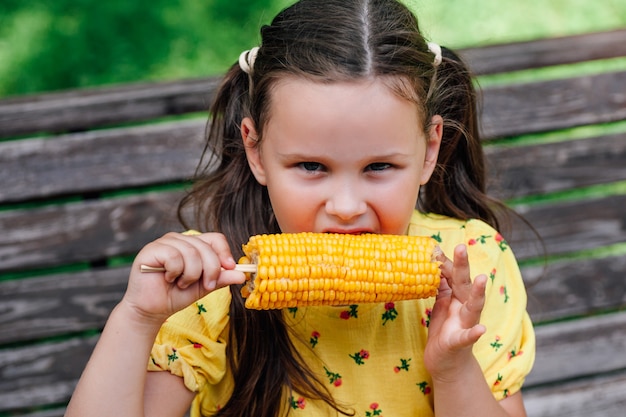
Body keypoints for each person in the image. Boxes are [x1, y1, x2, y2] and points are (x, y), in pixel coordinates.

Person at [65, 0, 535, 416]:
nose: (347, 207)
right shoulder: (210, 286)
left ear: (430, 149)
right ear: (255, 150)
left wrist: (453, 369)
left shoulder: (472, 265)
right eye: (311, 165)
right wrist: (137, 318)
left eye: (379, 166)